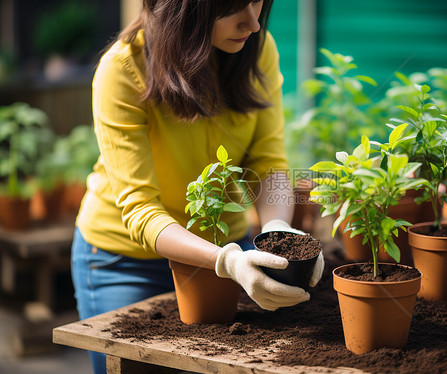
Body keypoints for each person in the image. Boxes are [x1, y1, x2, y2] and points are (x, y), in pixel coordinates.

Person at [70, 1, 324, 372]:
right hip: (127, 262)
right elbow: (140, 210)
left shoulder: (258, 48)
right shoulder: (124, 67)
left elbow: (268, 162)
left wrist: (277, 231)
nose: (253, 23)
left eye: (257, 2)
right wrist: (228, 261)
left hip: (229, 247)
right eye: (233, 7)